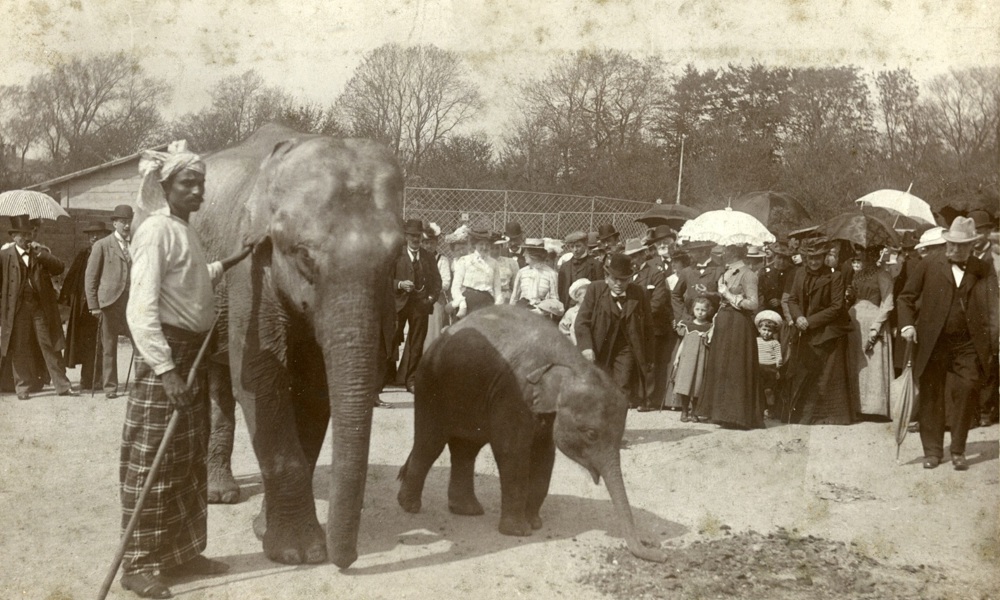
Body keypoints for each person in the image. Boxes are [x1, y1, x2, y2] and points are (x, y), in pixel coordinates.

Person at [120, 146, 252, 598]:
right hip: (168, 356)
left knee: (189, 459)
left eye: (201, 183)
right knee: (151, 460)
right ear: (165, 187)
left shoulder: (184, 231)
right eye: (186, 183)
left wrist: (233, 260)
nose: (197, 191)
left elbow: (194, 278)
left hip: (194, 352)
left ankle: (182, 553)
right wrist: (165, 371)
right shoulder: (155, 231)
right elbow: (140, 311)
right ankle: (139, 564)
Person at [897, 216, 999, 471]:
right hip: (933, 341)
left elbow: (993, 307)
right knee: (931, 394)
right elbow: (906, 297)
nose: (955, 249)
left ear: (972, 245)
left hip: (968, 343)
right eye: (952, 244)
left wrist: (993, 341)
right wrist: (908, 325)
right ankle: (932, 452)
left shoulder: (983, 268)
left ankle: (958, 450)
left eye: (962, 245)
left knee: (967, 389)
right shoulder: (929, 263)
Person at [0, 214, 76, 400]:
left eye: (29, 234)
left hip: (39, 308)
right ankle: (22, 388)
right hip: (17, 309)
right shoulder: (5, 256)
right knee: (20, 347)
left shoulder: (40, 252)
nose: (26, 238)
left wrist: (41, 254)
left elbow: (59, 268)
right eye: (22, 235)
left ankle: (63, 386)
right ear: (13, 236)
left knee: (49, 344)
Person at [784, 239, 854, 425]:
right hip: (803, 328)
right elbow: (792, 300)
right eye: (810, 258)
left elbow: (836, 307)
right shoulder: (800, 273)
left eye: (818, 258)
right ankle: (801, 414)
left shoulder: (835, 276)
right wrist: (798, 317)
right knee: (802, 371)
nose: (814, 262)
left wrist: (810, 321)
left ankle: (825, 416)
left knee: (825, 375)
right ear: (805, 258)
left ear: (824, 257)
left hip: (827, 331)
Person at [695, 245, 763, 429]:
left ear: (734, 253)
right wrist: (709, 293)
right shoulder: (726, 272)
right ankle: (720, 413)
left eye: (726, 251)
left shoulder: (748, 274)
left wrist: (729, 295)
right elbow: (723, 298)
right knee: (722, 365)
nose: (722, 254)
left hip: (739, 324)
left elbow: (753, 303)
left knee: (735, 366)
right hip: (725, 322)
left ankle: (736, 416)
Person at [575, 253, 653, 405]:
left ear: (630, 279)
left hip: (626, 348)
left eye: (623, 280)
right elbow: (582, 322)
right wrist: (586, 347)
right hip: (598, 346)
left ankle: (617, 419)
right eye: (614, 279)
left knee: (621, 386)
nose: (618, 283)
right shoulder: (595, 289)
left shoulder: (639, 293)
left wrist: (649, 357)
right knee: (597, 387)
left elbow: (648, 327)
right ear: (606, 278)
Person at [85, 204, 135, 399]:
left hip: (132, 303)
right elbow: (90, 278)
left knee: (140, 343)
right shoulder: (102, 245)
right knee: (109, 346)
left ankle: (142, 384)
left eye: (129, 221)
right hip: (109, 303)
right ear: (114, 223)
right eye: (122, 222)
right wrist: (94, 306)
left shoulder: (136, 244)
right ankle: (110, 387)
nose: (126, 225)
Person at [391, 219, 442, 393]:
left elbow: (437, 282)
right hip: (399, 305)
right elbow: (386, 279)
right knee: (391, 340)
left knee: (417, 344)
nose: (415, 239)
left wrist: (430, 299)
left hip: (420, 306)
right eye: (412, 235)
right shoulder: (397, 255)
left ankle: (411, 380)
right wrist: (400, 284)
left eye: (418, 236)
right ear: (406, 236)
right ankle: (382, 380)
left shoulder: (428, 256)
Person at [60, 220, 110, 391]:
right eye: (91, 235)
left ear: (105, 236)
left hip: (103, 303)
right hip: (83, 306)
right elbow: (72, 277)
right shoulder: (84, 254)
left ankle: (98, 379)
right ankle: (87, 379)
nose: (94, 237)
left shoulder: (108, 254)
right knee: (86, 343)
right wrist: (68, 300)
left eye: (98, 234)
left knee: (100, 343)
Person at [846, 245, 894, 419]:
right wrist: (850, 294)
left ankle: (874, 408)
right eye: (864, 253)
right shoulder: (858, 274)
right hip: (855, 321)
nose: (867, 257)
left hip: (873, 320)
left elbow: (888, 303)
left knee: (873, 361)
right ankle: (857, 406)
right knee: (857, 362)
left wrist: (876, 327)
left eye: (872, 254)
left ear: (877, 255)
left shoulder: (883, 275)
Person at [628, 237, 674, 412]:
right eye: (630, 257)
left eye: (635, 256)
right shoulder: (628, 275)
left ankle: (647, 399)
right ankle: (633, 396)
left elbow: (658, 300)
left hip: (650, 325)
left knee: (648, 362)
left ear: (643, 255)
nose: (632, 260)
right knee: (631, 360)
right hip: (630, 325)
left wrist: (641, 318)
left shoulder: (655, 274)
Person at [671, 296, 714, 422]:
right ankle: (684, 411)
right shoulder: (687, 325)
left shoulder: (710, 327)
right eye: (697, 309)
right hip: (687, 359)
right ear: (693, 310)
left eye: (703, 310)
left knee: (698, 385)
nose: (700, 312)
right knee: (685, 384)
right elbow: (683, 342)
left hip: (701, 359)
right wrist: (677, 357)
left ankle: (695, 411)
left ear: (708, 311)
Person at [450, 228, 503, 316]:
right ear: (475, 245)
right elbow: (456, 287)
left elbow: (497, 288)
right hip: (468, 301)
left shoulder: (494, 263)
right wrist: (462, 303)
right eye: (481, 244)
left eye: (487, 244)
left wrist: (497, 305)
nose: (484, 247)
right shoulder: (464, 261)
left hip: (487, 302)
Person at [670, 240, 723, 324]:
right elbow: (675, 295)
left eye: (693, 251)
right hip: (689, 321)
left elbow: (723, 297)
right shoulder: (686, 272)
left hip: (712, 322)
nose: (690, 255)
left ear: (703, 252)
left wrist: (709, 294)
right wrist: (680, 317)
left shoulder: (719, 270)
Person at [422, 223, 451, 349]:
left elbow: (446, 282)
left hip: (435, 299)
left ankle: (430, 353)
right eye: (426, 243)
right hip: (419, 298)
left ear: (437, 244)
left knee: (433, 331)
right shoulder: (419, 258)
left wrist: (430, 289)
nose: (429, 246)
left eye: (432, 243)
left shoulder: (442, 260)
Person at [557, 230, 603, 309]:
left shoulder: (596, 265)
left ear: (585, 245)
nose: (575, 250)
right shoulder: (564, 267)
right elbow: (561, 291)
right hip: (568, 308)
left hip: (588, 308)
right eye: (572, 247)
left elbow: (600, 290)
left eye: (578, 246)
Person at [509, 238, 559, 307]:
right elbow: (514, 297)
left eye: (526, 252)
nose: (523, 255)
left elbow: (554, 300)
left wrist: (542, 308)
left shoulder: (551, 274)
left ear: (534, 254)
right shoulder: (522, 272)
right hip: (521, 311)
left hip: (541, 312)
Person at [754, 310, 783, 419]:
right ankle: (759, 410)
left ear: (774, 332)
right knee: (758, 390)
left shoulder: (774, 343)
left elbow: (778, 355)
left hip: (770, 369)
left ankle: (770, 409)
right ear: (759, 329)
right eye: (764, 330)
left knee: (768, 390)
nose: (766, 333)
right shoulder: (756, 341)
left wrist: (778, 364)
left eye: (769, 331)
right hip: (758, 368)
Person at [558, 278, 591, 345]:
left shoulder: (593, 311)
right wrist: (570, 342)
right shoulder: (571, 312)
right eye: (585, 297)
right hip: (575, 345)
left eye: (590, 297)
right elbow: (563, 329)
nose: (588, 299)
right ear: (577, 297)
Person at [491, 234, 520, 305]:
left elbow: (516, 285)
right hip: (489, 296)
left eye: (497, 248)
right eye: (492, 248)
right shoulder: (483, 263)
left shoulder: (511, 263)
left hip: (506, 298)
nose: (495, 251)